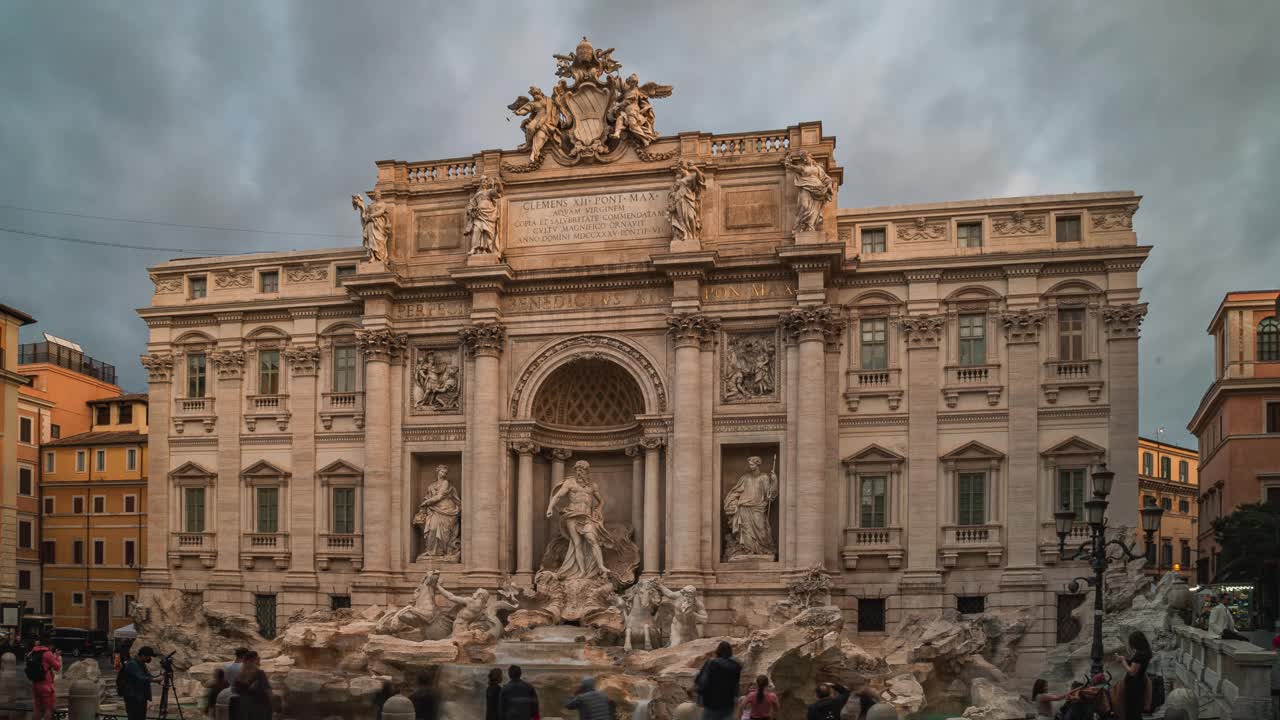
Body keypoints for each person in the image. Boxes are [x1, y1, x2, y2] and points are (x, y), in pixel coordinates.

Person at [694, 641, 742, 720]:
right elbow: (736, 685)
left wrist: (699, 692)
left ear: (718, 651)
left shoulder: (711, 663)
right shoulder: (736, 665)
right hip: (728, 704)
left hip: (712, 704)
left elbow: (703, 682)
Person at [1112, 631, 1153, 720]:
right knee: (1136, 710)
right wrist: (1124, 659)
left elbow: (1132, 671)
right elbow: (1135, 665)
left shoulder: (1139, 655)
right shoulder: (1146, 652)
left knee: (1132, 710)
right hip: (1139, 683)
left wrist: (1123, 662)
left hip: (1133, 686)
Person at [27, 632, 61, 720]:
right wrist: (57, 656)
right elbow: (57, 667)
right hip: (45, 684)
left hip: (35, 683)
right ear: (49, 645)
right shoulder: (47, 653)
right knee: (48, 709)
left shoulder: (32, 652)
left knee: (37, 709)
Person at [233, 650, 273, 720]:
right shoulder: (259, 673)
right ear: (253, 660)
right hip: (259, 707)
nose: (259, 660)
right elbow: (267, 690)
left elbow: (235, 690)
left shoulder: (238, 675)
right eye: (257, 658)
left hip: (244, 706)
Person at [120, 645, 158, 720]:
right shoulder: (132, 664)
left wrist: (155, 678)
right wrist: (154, 680)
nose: (149, 659)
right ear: (143, 655)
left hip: (140, 697)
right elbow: (141, 677)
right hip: (133, 697)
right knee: (134, 717)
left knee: (141, 717)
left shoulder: (141, 663)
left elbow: (147, 675)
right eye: (149, 656)